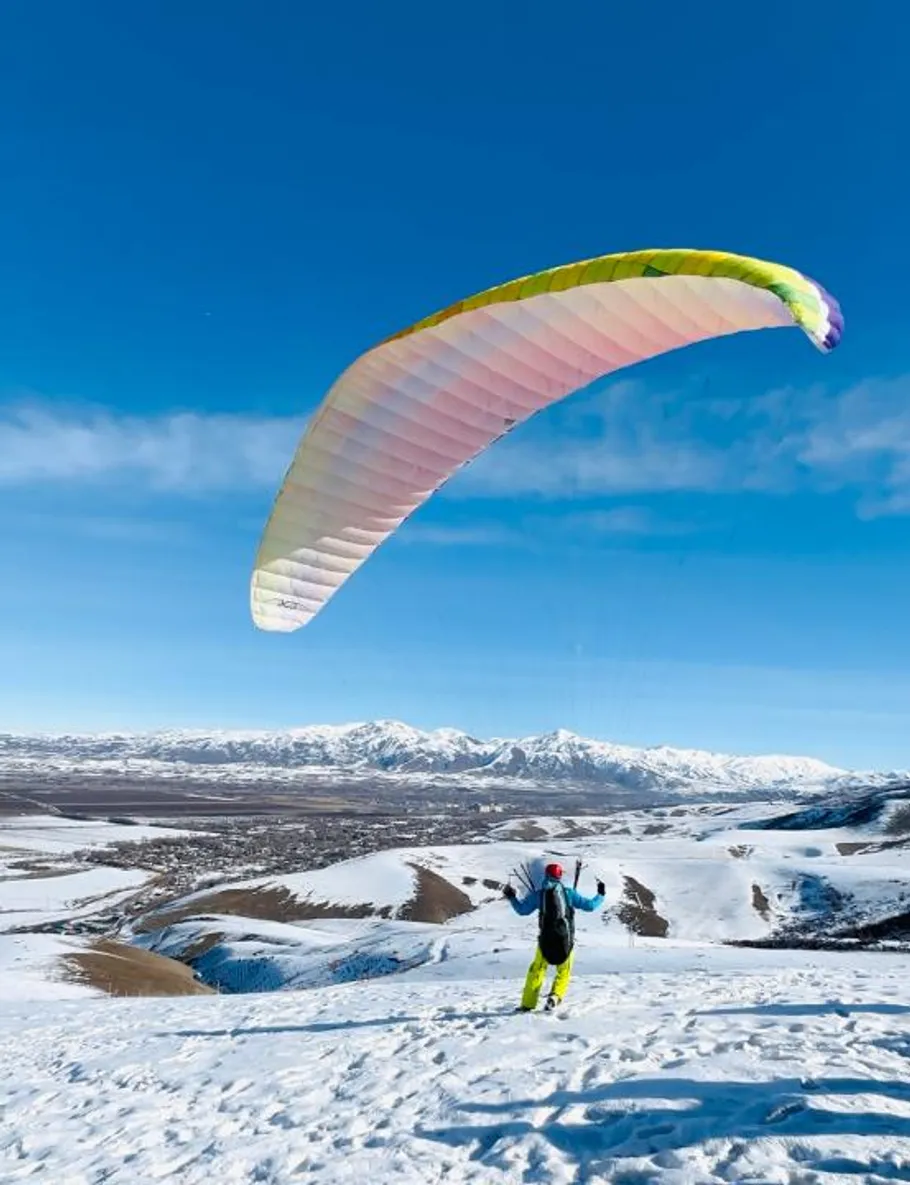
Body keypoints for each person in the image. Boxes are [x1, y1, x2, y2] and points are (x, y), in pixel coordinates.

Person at [503, 862, 605, 1011]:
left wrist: (512, 897)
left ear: (546, 875)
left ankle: (527, 1004)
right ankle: (555, 996)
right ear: (559, 876)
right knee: (564, 971)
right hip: (566, 940)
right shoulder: (569, 893)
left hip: (545, 940)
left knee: (537, 970)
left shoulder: (538, 895)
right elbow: (590, 906)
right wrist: (601, 894)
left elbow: (522, 911)